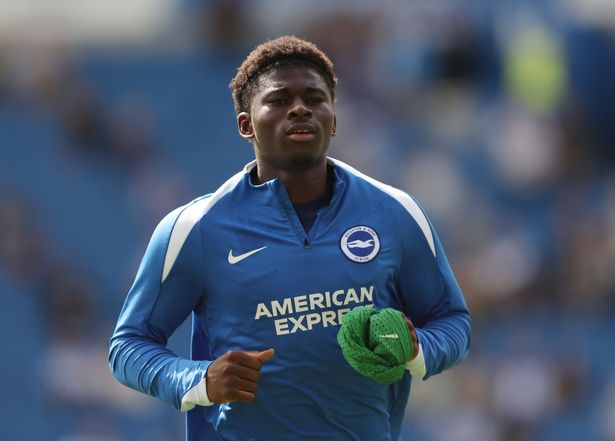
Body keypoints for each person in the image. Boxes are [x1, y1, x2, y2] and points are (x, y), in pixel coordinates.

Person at [109, 35, 471, 441]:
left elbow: (452, 322)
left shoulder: (395, 213)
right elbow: (128, 347)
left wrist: (416, 349)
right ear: (246, 124)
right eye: (279, 100)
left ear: (334, 120)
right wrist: (200, 379)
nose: (300, 109)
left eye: (315, 99)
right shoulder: (194, 228)